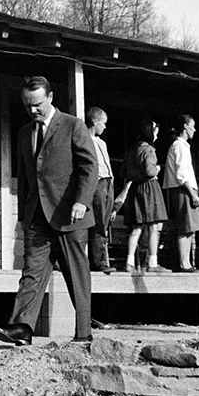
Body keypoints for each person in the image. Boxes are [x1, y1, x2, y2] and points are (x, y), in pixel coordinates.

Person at [0, 76, 97, 346]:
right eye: (28, 106)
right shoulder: (24, 133)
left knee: (76, 273)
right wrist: (22, 217)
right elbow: (25, 177)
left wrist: (81, 202)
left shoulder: (74, 125)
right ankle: (22, 328)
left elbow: (89, 167)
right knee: (32, 271)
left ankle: (83, 332)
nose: (33, 110)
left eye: (37, 104)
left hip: (70, 214)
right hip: (37, 217)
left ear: (50, 97)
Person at [121, 118, 168, 274]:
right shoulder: (148, 149)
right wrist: (158, 170)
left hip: (136, 188)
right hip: (149, 189)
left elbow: (123, 171)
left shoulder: (132, 149)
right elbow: (150, 171)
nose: (156, 136)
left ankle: (129, 262)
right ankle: (153, 263)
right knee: (154, 226)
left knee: (136, 226)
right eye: (155, 133)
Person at [162, 114, 199, 272]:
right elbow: (181, 174)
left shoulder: (184, 146)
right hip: (183, 189)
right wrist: (192, 194)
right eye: (192, 126)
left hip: (187, 189)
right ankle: (183, 263)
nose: (194, 129)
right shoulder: (179, 146)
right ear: (185, 127)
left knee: (189, 227)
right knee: (185, 226)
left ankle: (187, 262)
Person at [86, 107, 115, 273]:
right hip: (96, 183)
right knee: (97, 223)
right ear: (95, 121)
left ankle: (101, 259)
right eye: (103, 123)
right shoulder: (85, 140)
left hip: (107, 183)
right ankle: (98, 261)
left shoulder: (101, 142)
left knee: (103, 223)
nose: (104, 127)